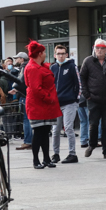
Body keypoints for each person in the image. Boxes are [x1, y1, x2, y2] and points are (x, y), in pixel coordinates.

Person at [22, 41, 61, 169]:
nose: (45, 54)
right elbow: (35, 88)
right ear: (39, 54)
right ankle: (36, 160)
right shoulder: (33, 68)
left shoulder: (40, 67)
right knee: (39, 133)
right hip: (38, 105)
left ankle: (46, 158)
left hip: (45, 105)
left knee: (45, 132)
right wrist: (48, 97)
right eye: (44, 52)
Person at [79, 38, 106, 160]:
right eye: (97, 48)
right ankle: (91, 145)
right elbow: (82, 78)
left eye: (102, 48)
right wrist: (87, 94)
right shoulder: (88, 61)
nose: (99, 50)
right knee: (93, 124)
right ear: (94, 49)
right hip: (93, 98)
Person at [50, 45, 80, 164]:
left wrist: (76, 99)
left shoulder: (72, 66)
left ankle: (72, 154)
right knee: (55, 129)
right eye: (58, 53)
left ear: (66, 55)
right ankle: (55, 154)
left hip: (69, 103)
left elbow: (78, 83)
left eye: (63, 53)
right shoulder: (53, 68)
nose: (61, 56)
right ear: (55, 55)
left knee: (68, 127)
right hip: (56, 104)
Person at [10, 51, 32, 150]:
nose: (16, 60)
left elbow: (21, 82)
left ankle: (28, 141)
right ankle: (30, 140)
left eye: (17, 58)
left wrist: (16, 88)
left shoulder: (24, 67)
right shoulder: (29, 66)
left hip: (24, 96)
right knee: (29, 119)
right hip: (27, 95)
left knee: (26, 119)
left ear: (22, 59)